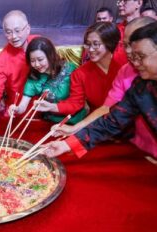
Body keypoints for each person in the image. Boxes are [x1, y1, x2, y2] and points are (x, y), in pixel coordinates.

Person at [43, 22, 157, 159]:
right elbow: (112, 120)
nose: (135, 63)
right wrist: (67, 145)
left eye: (141, 56)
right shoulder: (141, 88)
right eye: (126, 46)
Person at [36, 22, 125, 118]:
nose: (90, 49)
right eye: (88, 44)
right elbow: (75, 103)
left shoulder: (125, 63)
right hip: (98, 122)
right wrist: (51, 107)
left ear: (110, 43)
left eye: (96, 44)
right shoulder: (80, 73)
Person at [8, 37, 87, 124]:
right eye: (32, 61)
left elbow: (78, 102)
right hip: (51, 123)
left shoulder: (70, 70)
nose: (37, 64)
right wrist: (16, 109)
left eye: (40, 59)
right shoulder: (34, 78)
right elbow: (22, 106)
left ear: (50, 55)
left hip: (76, 121)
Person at [0, 10, 38, 117]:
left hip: (44, 106)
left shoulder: (40, 43)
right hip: (17, 110)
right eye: (8, 32)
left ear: (28, 29)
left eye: (17, 30)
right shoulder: (3, 58)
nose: (13, 36)